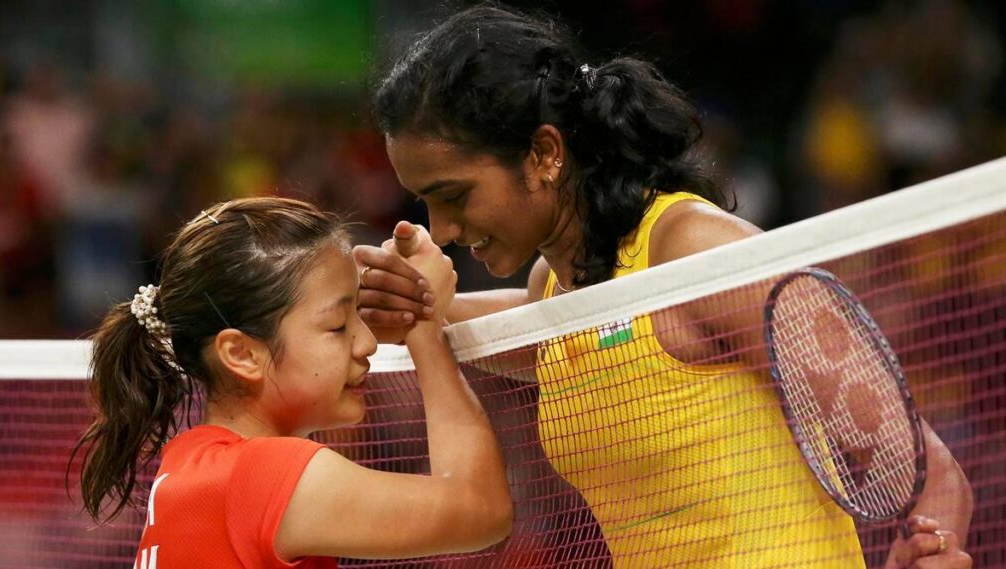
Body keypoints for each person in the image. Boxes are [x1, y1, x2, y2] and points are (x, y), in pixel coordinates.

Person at [355, 5, 973, 568]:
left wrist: (933, 552)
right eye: (426, 204)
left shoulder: (699, 254)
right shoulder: (558, 289)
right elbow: (563, 331)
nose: (446, 230)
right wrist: (416, 306)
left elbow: (930, 472)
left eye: (455, 196)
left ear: (544, 153)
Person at [72, 197, 512, 568]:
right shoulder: (255, 475)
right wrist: (423, 323)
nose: (368, 342)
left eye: (359, 314)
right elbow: (479, 510)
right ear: (242, 354)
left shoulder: (194, 464)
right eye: (339, 325)